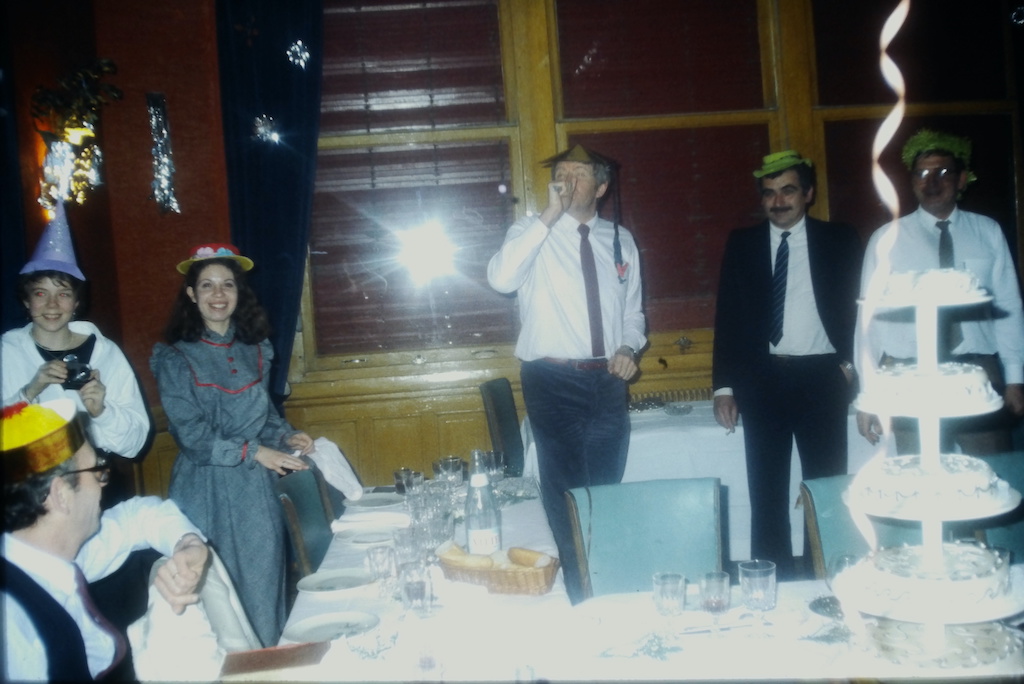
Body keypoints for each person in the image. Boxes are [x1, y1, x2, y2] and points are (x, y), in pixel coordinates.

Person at [487, 145, 646, 603]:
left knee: (605, 491)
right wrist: (549, 216)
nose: (568, 182)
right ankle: (578, 598)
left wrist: (627, 347)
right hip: (551, 380)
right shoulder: (530, 231)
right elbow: (501, 279)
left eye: (579, 174)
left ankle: (606, 593)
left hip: (608, 380)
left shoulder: (620, 240)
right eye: (561, 173)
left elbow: (633, 314)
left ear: (601, 186)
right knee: (565, 493)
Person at [150, 243, 314, 647]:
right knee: (214, 594)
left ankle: (266, 666)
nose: (218, 294)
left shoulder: (255, 348)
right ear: (192, 294)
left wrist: (285, 436)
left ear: (240, 292)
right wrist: (256, 451)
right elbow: (191, 436)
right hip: (203, 488)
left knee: (263, 584)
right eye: (207, 285)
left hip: (254, 490)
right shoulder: (175, 357)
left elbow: (265, 417)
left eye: (227, 284)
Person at [712, 150, 862, 579]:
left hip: (823, 380)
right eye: (769, 193)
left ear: (808, 194)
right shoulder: (742, 244)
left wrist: (852, 367)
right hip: (762, 381)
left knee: (824, 489)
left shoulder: (840, 239)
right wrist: (724, 387)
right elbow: (728, 317)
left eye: (788, 190)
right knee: (767, 494)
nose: (778, 201)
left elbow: (863, 309)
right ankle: (770, 585)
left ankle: (826, 580)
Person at [3, 398, 209, 682]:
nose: (103, 484)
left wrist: (189, 543)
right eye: (96, 470)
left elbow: (136, 517)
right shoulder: (12, 623)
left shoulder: (44, 551)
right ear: (61, 494)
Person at [857, 129, 1024, 454]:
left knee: (990, 471)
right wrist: (868, 394)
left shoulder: (987, 232)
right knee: (921, 474)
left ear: (962, 179)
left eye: (943, 172)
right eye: (921, 174)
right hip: (909, 376)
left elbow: (1008, 307)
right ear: (912, 182)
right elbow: (869, 322)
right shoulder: (886, 239)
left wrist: (1016, 378)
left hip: (978, 375)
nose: (931, 182)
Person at [2, 202, 151, 471]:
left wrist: (101, 412)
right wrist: (29, 391)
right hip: (28, 483)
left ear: (76, 303)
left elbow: (135, 444)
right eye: (40, 294)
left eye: (63, 294)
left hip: (92, 479)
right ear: (26, 301)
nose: (52, 305)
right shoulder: (8, 352)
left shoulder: (106, 352)